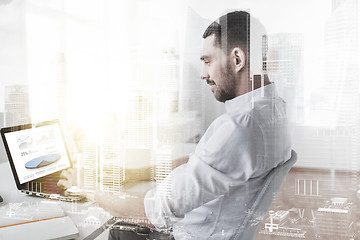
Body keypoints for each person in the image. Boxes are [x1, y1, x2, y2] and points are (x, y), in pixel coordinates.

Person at [59, 10, 291, 240]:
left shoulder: (239, 127)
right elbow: (200, 163)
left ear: (237, 59)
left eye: (208, 61)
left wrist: (87, 187)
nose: (203, 74)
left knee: (115, 228)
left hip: (192, 235)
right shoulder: (274, 109)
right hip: (220, 228)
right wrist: (136, 173)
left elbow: (152, 213)